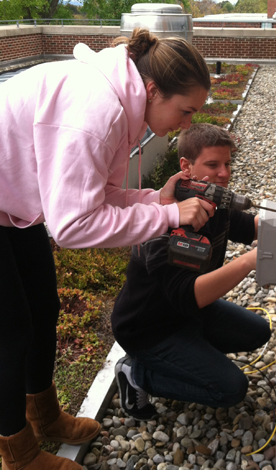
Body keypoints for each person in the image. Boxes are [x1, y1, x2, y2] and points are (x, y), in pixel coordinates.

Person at [0, 28, 214, 470]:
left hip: (8, 200)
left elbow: (96, 194)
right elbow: (74, 225)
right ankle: (16, 454)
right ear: (153, 90)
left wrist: (157, 201)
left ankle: (43, 416)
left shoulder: (121, 99)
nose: (188, 124)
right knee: (10, 329)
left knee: (42, 305)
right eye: (186, 110)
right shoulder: (97, 109)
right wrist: (170, 217)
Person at [111, 123, 276, 420]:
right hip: (148, 329)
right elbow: (186, 296)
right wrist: (249, 261)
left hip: (186, 315)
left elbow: (251, 226)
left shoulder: (214, 201)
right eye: (213, 165)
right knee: (230, 389)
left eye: (227, 163)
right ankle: (138, 373)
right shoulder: (162, 224)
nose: (224, 173)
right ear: (186, 167)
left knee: (258, 331)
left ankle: (188, 355)